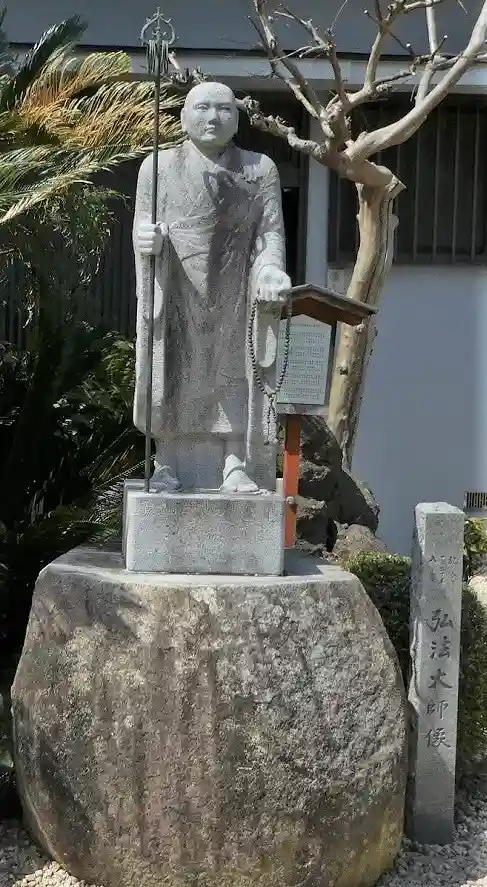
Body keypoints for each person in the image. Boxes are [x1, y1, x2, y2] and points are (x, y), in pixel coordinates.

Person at [133, 81, 291, 492]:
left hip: (234, 285)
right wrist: (147, 241)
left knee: (235, 366)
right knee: (171, 364)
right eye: (202, 108)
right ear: (183, 118)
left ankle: (234, 461)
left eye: (223, 109)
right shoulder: (157, 167)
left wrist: (271, 271)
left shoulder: (259, 169)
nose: (212, 117)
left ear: (237, 119)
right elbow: (143, 225)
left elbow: (270, 233)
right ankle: (167, 460)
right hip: (176, 283)